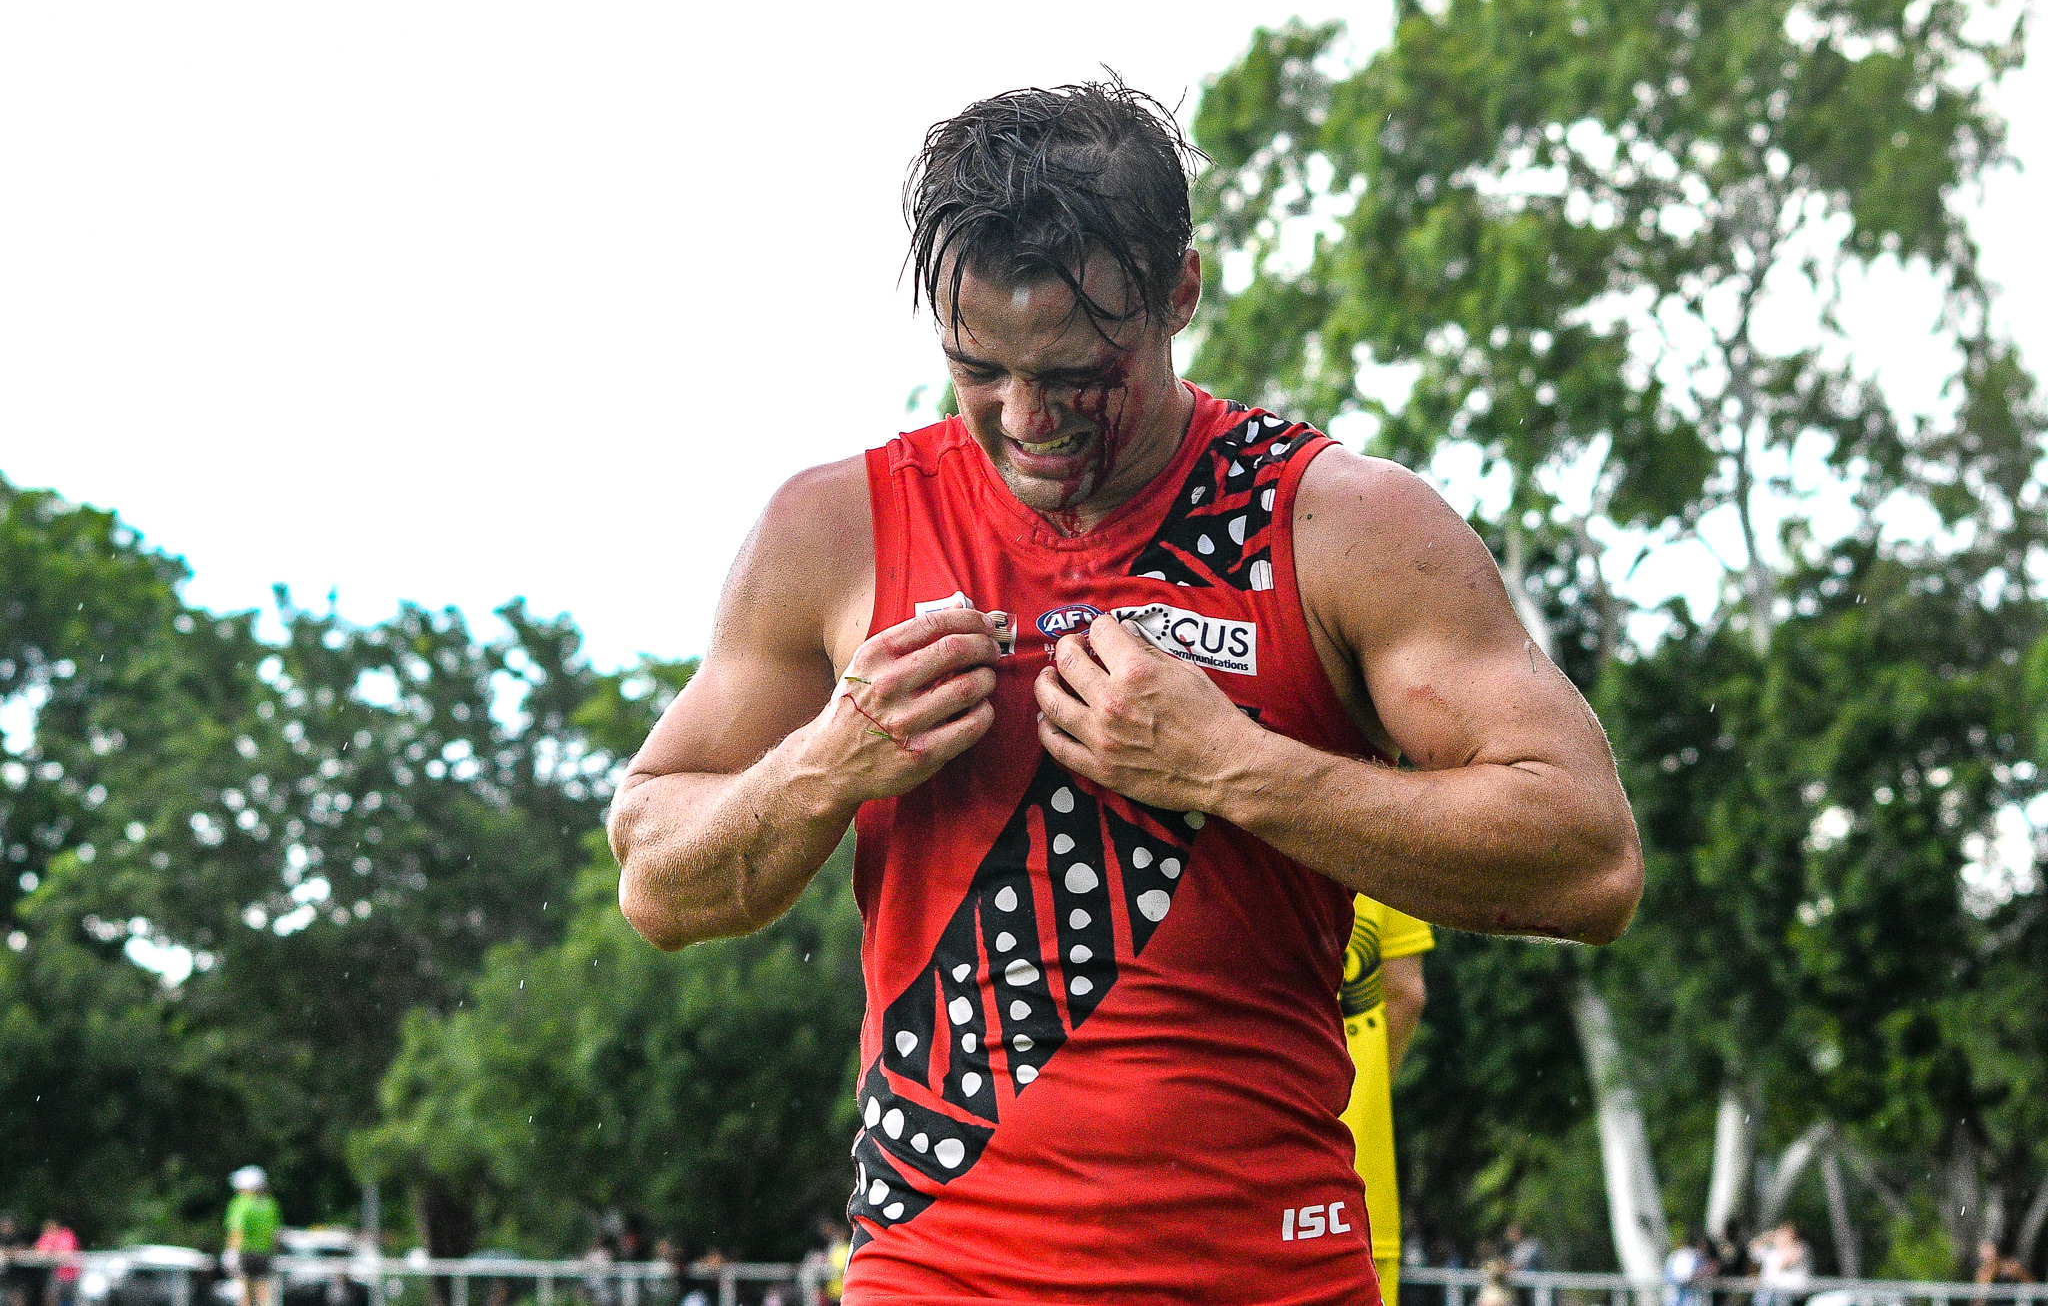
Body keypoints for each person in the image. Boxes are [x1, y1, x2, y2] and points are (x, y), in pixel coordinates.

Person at [608, 78, 1643, 1304]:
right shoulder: (837, 533)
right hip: (938, 1275)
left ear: (1179, 294)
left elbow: (1587, 861)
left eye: (1076, 371)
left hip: (1268, 1275)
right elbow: (656, 879)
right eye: (975, 368)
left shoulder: (1339, 524)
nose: (1026, 419)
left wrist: (1234, 767)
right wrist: (829, 758)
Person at [1339, 897, 1433, 1306]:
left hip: (1224, 1175)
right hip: (1358, 1170)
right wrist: (1366, 1085)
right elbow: (1406, 993)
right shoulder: (1388, 833)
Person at [223, 1167, 282, 1306]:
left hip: (245, 1253)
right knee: (263, 1294)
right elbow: (275, 1233)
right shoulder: (270, 1204)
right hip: (265, 1254)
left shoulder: (241, 1202)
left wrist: (231, 1252)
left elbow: (236, 1230)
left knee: (244, 1295)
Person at [29, 1221, 77, 1306]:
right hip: (57, 1273)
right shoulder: (48, 1236)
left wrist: (50, 1251)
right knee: (50, 1297)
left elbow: (64, 1253)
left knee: (71, 1298)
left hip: (71, 1274)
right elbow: (38, 1249)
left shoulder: (66, 1235)